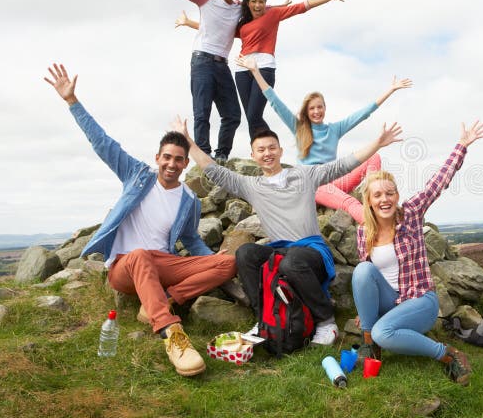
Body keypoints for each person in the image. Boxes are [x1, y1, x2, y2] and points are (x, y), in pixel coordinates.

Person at [44, 64, 237, 377]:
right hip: (125, 267)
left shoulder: (188, 199)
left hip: (162, 264)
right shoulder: (137, 176)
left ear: (186, 163)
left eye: (178, 159)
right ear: (157, 158)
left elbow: (190, 239)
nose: (172, 164)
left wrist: (209, 258)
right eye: (166, 157)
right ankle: (171, 334)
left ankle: (162, 301)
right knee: (139, 255)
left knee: (228, 264)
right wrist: (72, 102)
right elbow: (103, 143)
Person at [172, 116, 402, 346]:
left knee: (290, 262)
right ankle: (264, 320)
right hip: (281, 251)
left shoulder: (304, 175)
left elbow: (342, 165)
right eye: (260, 150)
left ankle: (326, 322)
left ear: (281, 151)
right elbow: (215, 171)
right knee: (245, 254)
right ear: (254, 156)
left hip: (311, 252)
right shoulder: (251, 186)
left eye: (272, 147)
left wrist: (377, 144)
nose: (267, 153)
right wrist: (188, 140)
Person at [352, 120, 483, 385]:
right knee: (362, 270)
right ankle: (370, 343)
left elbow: (438, 183)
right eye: (377, 195)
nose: (384, 199)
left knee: (383, 331)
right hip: (390, 301)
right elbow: (366, 280)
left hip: (420, 301)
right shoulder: (363, 231)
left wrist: (461, 146)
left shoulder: (411, 213)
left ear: (397, 195)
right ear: (369, 201)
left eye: (390, 193)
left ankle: (447, 355)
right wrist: (364, 312)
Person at [235, 54, 411, 224]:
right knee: (350, 203)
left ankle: (375, 195)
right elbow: (274, 101)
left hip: (336, 179)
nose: (316, 111)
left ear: (325, 108)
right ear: (307, 110)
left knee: (374, 156)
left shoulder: (334, 129)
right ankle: (380, 224)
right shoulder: (299, 128)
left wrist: (391, 90)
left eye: (320, 107)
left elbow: (364, 113)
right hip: (313, 185)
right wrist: (256, 72)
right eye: (312, 108)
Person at [179, 0, 346, 140]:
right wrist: (188, 23)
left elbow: (302, 6)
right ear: (247, 3)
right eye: (253, 1)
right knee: (251, 118)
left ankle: (272, 145)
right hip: (243, 70)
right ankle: (259, 152)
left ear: (266, 3)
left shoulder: (273, 14)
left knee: (254, 115)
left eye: (261, 1)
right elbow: (218, 30)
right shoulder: (243, 23)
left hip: (264, 67)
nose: (257, 5)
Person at [129, 0, 242, 163]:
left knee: (233, 114)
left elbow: (262, 11)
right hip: (202, 62)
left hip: (222, 64)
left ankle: (222, 155)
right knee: (202, 113)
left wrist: (283, 8)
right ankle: (204, 156)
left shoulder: (238, 8)